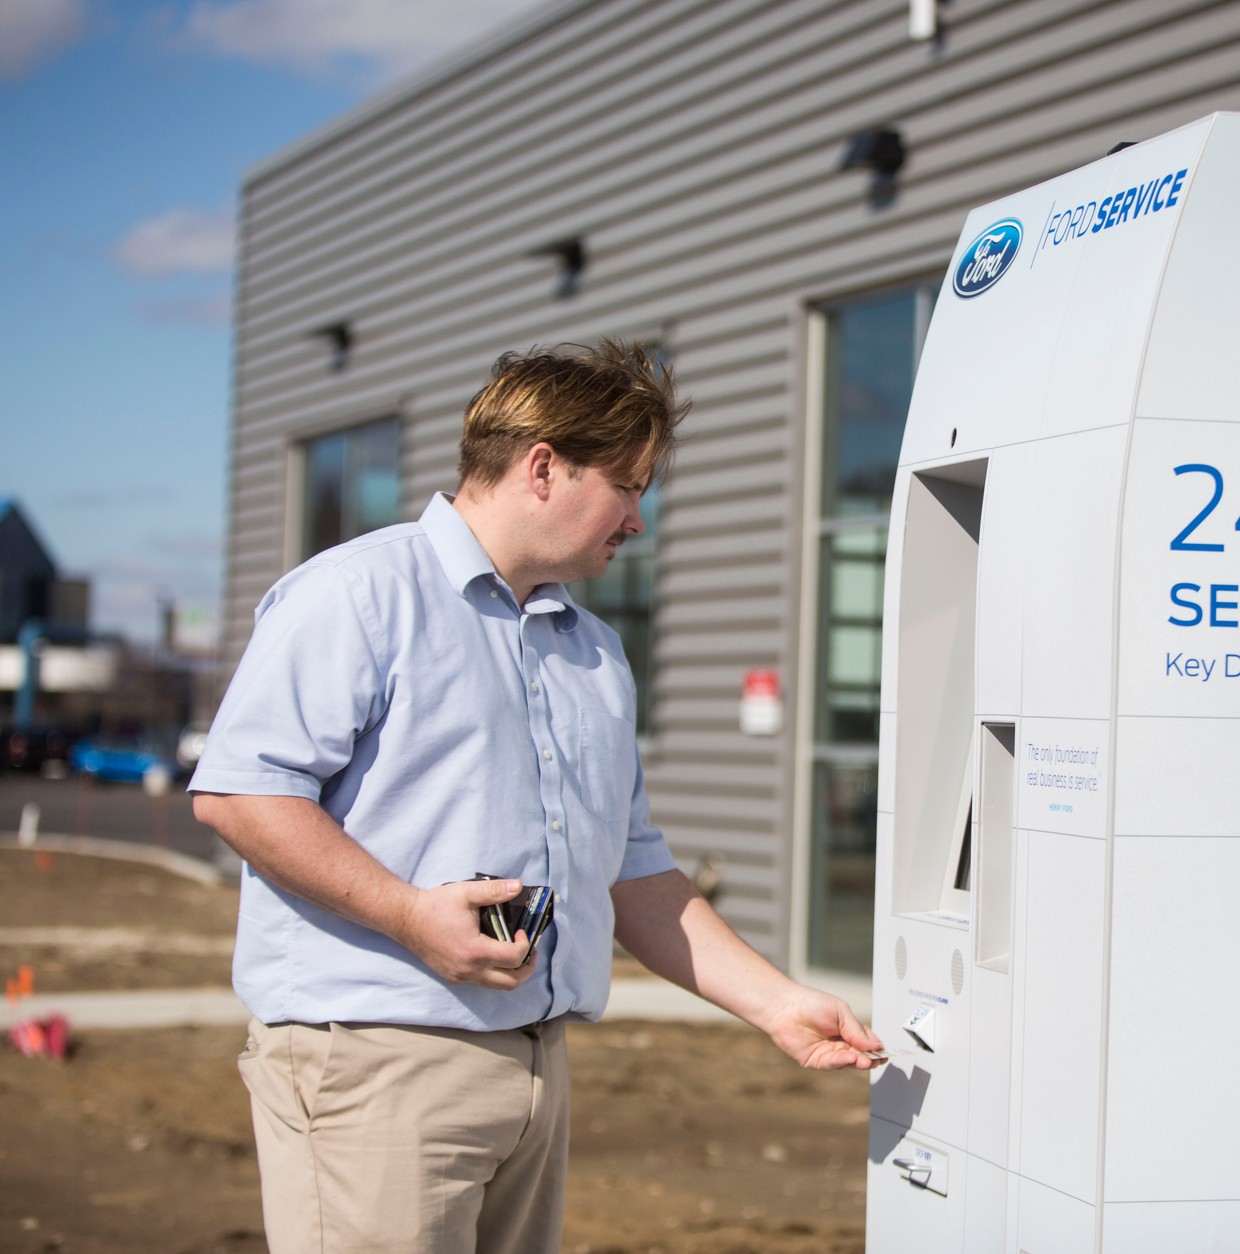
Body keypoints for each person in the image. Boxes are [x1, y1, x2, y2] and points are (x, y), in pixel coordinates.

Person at [191, 339, 881, 1253]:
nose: (639, 518)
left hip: (535, 1069)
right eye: (629, 485)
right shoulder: (357, 596)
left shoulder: (593, 651)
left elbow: (633, 874)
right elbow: (241, 794)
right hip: (374, 1064)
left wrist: (776, 1004)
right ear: (544, 467)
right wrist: (406, 914)